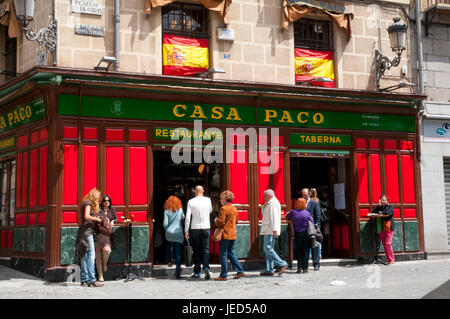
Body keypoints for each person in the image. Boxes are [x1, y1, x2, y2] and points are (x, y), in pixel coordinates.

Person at [214, 190, 245, 281]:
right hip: (232, 233)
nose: (220, 200)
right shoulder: (234, 208)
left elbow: (221, 222)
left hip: (225, 234)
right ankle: (239, 270)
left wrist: (216, 220)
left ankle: (223, 275)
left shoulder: (223, 208)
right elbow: (237, 221)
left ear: (224, 198)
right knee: (231, 252)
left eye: (221, 199)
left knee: (223, 254)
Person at [75, 188, 103, 287]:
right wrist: (97, 219)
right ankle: (92, 279)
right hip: (87, 233)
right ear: (94, 196)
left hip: (83, 232)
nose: (99, 199)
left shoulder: (85, 203)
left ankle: (84, 279)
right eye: (98, 197)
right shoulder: (88, 203)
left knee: (84, 256)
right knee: (91, 256)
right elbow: (86, 216)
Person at [184, 185, 213, 280]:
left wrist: (186, 230)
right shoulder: (208, 200)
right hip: (206, 227)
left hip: (195, 227)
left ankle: (197, 271)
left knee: (196, 250)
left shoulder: (191, 202)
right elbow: (210, 211)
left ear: (195, 192)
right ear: (203, 191)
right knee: (206, 249)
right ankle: (206, 267)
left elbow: (188, 217)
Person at [260, 189, 288, 276]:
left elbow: (275, 216)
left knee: (267, 248)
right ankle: (269, 269)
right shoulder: (269, 203)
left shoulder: (273, 203)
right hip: (268, 228)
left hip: (270, 229)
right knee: (269, 249)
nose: (264, 198)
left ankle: (282, 263)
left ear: (270, 196)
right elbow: (264, 214)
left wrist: (275, 229)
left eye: (265, 196)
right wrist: (263, 206)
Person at [286, 198, 314, 274]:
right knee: (305, 251)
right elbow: (312, 222)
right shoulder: (307, 213)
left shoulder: (293, 212)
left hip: (297, 234)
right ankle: (305, 269)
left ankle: (299, 268)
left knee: (299, 251)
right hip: (306, 234)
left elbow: (287, 216)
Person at [94, 194, 117, 282]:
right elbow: (95, 219)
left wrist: (112, 221)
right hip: (98, 234)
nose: (107, 202)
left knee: (107, 250)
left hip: (107, 235)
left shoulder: (112, 209)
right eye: (105, 201)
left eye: (108, 200)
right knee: (98, 255)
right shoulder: (98, 210)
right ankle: (100, 275)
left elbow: (116, 218)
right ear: (102, 202)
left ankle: (104, 263)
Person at [163, 195, 185, 279]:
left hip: (169, 232)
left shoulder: (166, 211)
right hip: (178, 232)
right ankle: (178, 271)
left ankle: (170, 259)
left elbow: (165, 223)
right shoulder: (180, 210)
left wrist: (167, 229)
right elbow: (183, 217)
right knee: (178, 252)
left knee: (170, 245)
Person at [372, 194, 395, 265]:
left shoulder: (390, 207)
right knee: (385, 244)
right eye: (381, 200)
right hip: (382, 227)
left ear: (387, 201)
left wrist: (380, 212)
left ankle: (391, 259)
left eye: (384, 200)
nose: (382, 201)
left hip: (389, 227)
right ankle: (388, 259)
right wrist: (378, 206)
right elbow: (374, 212)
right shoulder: (380, 207)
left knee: (388, 243)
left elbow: (388, 212)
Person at [302, 188, 321, 271]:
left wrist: (317, 227)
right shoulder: (300, 203)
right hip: (303, 228)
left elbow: (317, 216)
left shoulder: (314, 203)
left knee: (314, 247)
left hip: (312, 228)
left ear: (309, 194)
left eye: (305, 195)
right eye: (302, 195)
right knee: (305, 247)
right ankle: (305, 265)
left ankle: (316, 264)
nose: (303, 196)